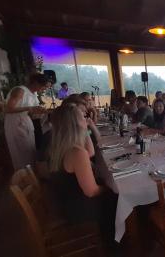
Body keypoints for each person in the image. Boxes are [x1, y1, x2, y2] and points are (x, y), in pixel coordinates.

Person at [48, 104, 116, 243]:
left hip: (66, 202)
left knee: (108, 184)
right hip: (79, 209)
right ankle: (114, 244)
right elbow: (91, 192)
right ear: (74, 124)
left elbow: (90, 152)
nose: (86, 119)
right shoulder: (77, 153)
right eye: (82, 117)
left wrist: (85, 129)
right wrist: (110, 188)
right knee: (116, 196)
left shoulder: (59, 147)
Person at [4, 73, 51, 170]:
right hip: (15, 122)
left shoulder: (33, 94)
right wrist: (30, 108)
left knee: (30, 150)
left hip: (25, 121)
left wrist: (42, 111)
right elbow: (8, 109)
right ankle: (23, 176)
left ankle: (31, 175)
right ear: (36, 83)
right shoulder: (20, 90)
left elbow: (32, 112)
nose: (44, 89)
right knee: (20, 152)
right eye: (43, 86)